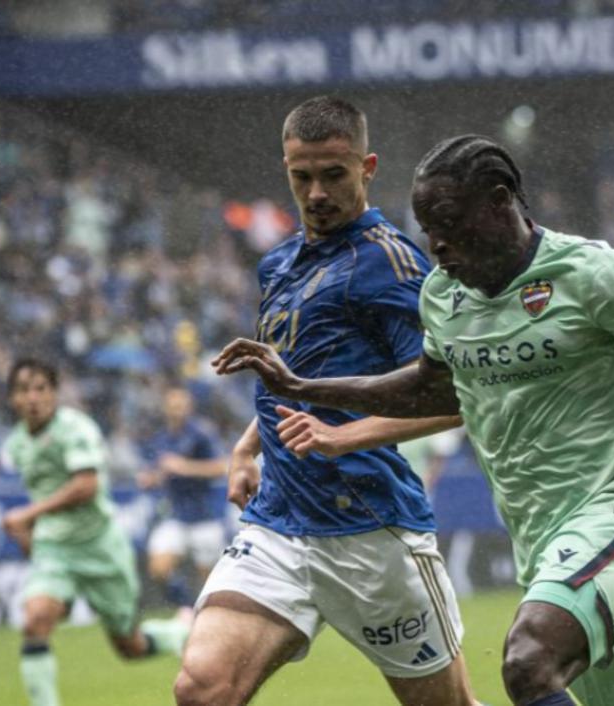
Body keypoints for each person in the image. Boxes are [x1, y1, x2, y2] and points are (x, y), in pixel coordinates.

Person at [213, 134, 614, 706]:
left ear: (499, 201)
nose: (436, 244)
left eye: (448, 222)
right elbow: (427, 389)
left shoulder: (593, 273)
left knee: (529, 661)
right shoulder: (443, 296)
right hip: (541, 542)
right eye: (426, 228)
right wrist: (301, 386)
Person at [173, 97, 478, 706]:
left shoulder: (390, 264)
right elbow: (289, 376)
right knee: (203, 690)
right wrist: (245, 447)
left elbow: (460, 392)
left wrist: (346, 436)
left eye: (333, 174)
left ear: (367, 168)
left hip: (370, 529)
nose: (316, 192)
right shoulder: (279, 264)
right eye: (301, 176)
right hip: (279, 523)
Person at [2, 359, 190, 706]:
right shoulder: (16, 444)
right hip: (55, 550)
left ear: (54, 393)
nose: (33, 398)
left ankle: (181, 630)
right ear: (12, 399)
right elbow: (44, 500)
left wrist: (28, 515)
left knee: (129, 647)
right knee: (35, 621)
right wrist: (33, 544)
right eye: (23, 390)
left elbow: (86, 486)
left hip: (100, 546)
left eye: (41, 388)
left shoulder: (76, 428)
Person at [136, 385, 230, 609]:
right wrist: (151, 478)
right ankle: (187, 606)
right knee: (158, 568)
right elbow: (160, 471)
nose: (177, 410)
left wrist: (184, 467)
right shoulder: (161, 438)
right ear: (165, 408)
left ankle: (204, 615)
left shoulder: (202, 434)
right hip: (175, 515)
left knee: (210, 581)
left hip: (204, 516)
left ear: (190, 407)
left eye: (181, 406)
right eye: (172, 406)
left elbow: (221, 467)